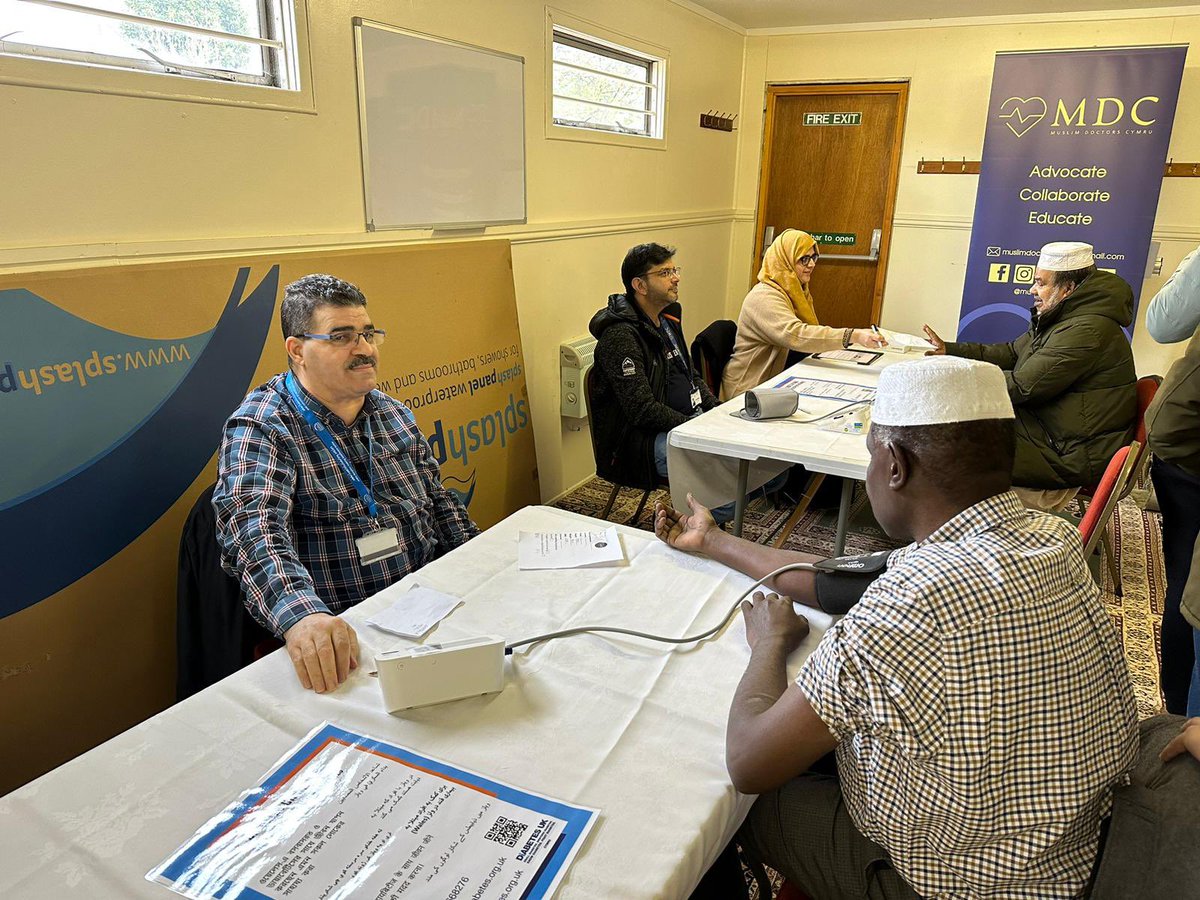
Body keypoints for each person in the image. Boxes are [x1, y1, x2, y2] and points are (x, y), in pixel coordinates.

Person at [659, 356, 1138, 899]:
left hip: (965, 884)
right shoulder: (1050, 539)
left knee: (725, 798)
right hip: (1078, 842)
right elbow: (830, 583)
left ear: (892, 464)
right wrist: (713, 540)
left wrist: (768, 644)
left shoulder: (907, 606)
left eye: (869, 456)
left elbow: (748, 761)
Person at [214, 274, 479, 694]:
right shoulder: (263, 427)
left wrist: (478, 561)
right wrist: (303, 618)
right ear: (297, 350)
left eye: (368, 333)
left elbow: (437, 499)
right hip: (346, 630)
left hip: (424, 605)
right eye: (342, 337)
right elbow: (255, 533)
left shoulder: (392, 413)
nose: (365, 350)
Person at [923, 241, 1136, 511]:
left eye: (1041, 283)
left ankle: (952, 527)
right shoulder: (1068, 316)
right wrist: (950, 351)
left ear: (1068, 288)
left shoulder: (1087, 330)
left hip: (1068, 451)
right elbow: (1013, 353)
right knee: (957, 422)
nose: (1032, 289)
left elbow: (1023, 387)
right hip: (1053, 428)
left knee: (952, 441)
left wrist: (952, 382)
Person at [588, 243, 728, 512]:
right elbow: (642, 411)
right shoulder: (621, 337)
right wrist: (692, 428)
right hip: (642, 442)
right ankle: (702, 533)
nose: (676, 278)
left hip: (685, 422)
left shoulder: (666, 320)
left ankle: (703, 521)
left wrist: (716, 411)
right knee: (723, 483)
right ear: (640, 286)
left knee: (756, 457)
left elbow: (690, 374)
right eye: (664, 273)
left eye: (674, 270)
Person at [721, 229, 886, 401]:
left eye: (813, 257)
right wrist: (853, 335)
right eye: (803, 259)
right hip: (748, 389)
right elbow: (796, 334)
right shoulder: (763, 296)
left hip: (775, 381)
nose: (812, 264)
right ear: (784, 261)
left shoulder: (795, 290)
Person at [1144, 245, 1200, 715]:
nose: (1033, 292)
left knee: (1188, 590)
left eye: (1041, 284)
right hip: (1184, 454)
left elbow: (1163, 324)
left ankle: (1179, 715)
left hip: (1188, 461)